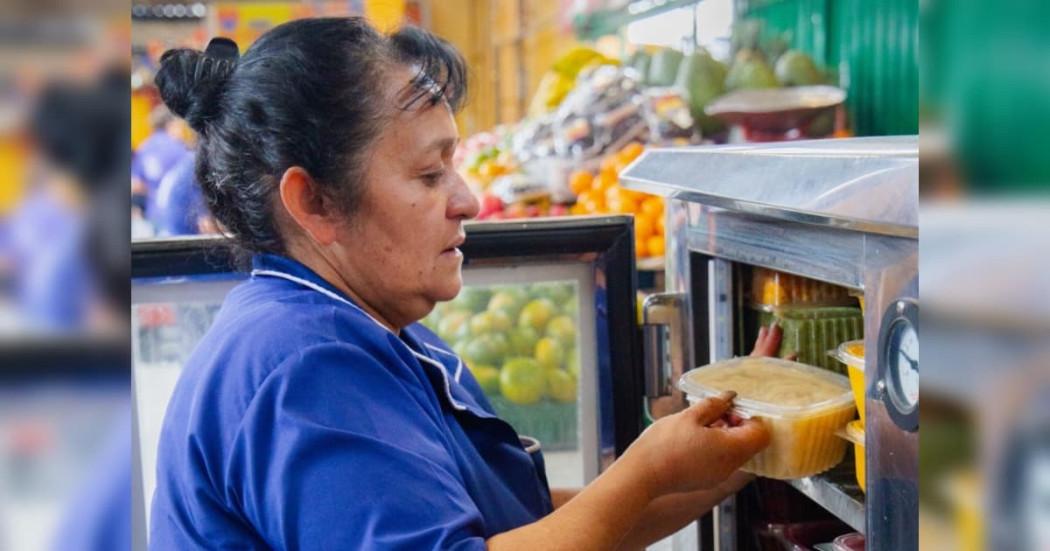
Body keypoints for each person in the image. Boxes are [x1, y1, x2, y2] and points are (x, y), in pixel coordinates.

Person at [149, 18, 772, 550]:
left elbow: (528, 526)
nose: (468, 199)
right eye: (427, 174)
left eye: (453, 165)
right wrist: (645, 468)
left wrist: (721, 466)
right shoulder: (301, 369)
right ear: (313, 200)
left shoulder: (367, 327)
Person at [131, 104, 189, 227]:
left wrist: (153, 191)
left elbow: (135, 184)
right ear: (170, 125)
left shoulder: (144, 147)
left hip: (153, 213)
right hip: (178, 214)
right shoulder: (178, 149)